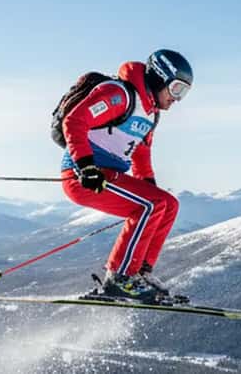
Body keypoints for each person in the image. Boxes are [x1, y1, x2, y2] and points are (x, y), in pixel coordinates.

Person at [59, 49, 193, 302]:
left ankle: (140, 273)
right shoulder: (119, 95)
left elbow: (141, 154)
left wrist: (149, 186)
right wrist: (86, 166)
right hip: (84, 175)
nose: (177, 99)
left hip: (111, 174)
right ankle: (119, 277)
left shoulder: (150, 114)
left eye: (183, 93)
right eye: (176, 89)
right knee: (152, 205)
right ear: (160, 78)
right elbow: (74, 121)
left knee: (168, 204)